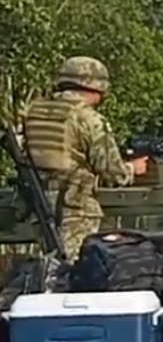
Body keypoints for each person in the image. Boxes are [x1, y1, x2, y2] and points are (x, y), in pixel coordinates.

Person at [19, 56, 148, 260]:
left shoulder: (34, 111)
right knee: (75, 272)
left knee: (51, 267)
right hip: (76, 208)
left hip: (40, 204)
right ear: (94, 86)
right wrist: (133, 168)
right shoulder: (88, 118)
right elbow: (114, 174)